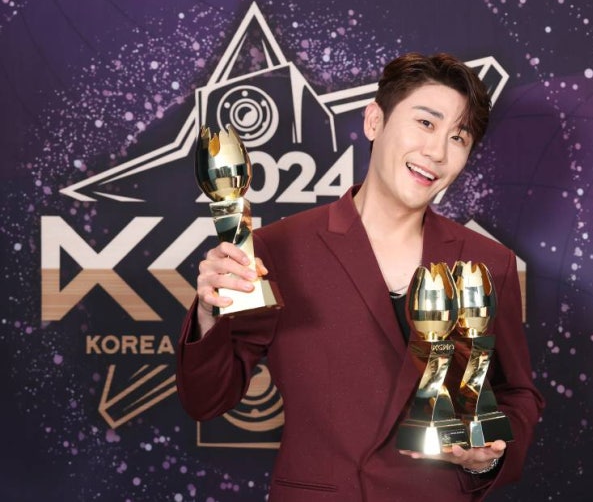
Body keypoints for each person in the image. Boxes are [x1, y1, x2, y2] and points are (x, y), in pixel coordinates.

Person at [176, 52, 544, 501]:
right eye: (425, 123)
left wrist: (486, 455)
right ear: (374, 121)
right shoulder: (279, 248)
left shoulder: (489, 262)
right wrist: (210, 313)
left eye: (458, 137)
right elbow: (207, 399)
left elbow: (516, 393)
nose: (437, 152)